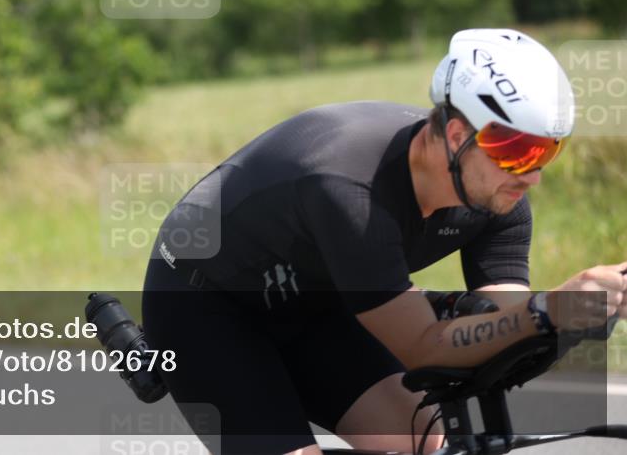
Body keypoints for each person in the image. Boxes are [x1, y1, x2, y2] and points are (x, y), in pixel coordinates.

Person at [141, 28, 627, 455]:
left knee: (424, 437)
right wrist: (549, 310)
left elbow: (499, 326)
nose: (534, 176)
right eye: (519, 151)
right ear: (457, 134)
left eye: (547, 151)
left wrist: (569, 319)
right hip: (206, 305)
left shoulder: (499, 197)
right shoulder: (350, 191)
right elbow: (425, 348)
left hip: (319, 300)